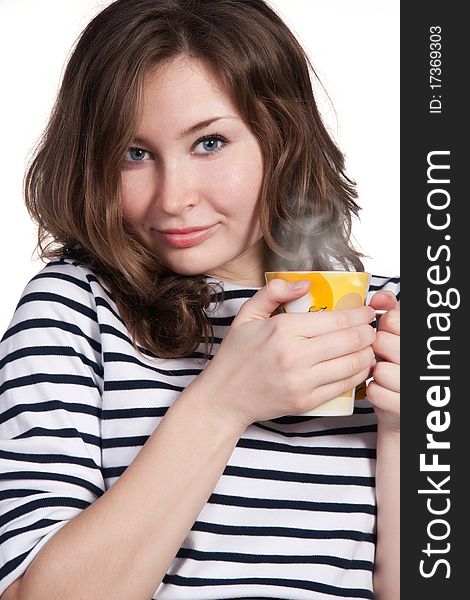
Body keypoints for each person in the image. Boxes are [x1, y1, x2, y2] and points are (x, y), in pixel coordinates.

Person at [0, 0, 400, 598]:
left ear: (282, 137)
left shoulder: (393, 315)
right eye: (134, 154)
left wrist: (406, 436)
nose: (173, 197)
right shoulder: (76, 308)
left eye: (209, 143)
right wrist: (222, 402)